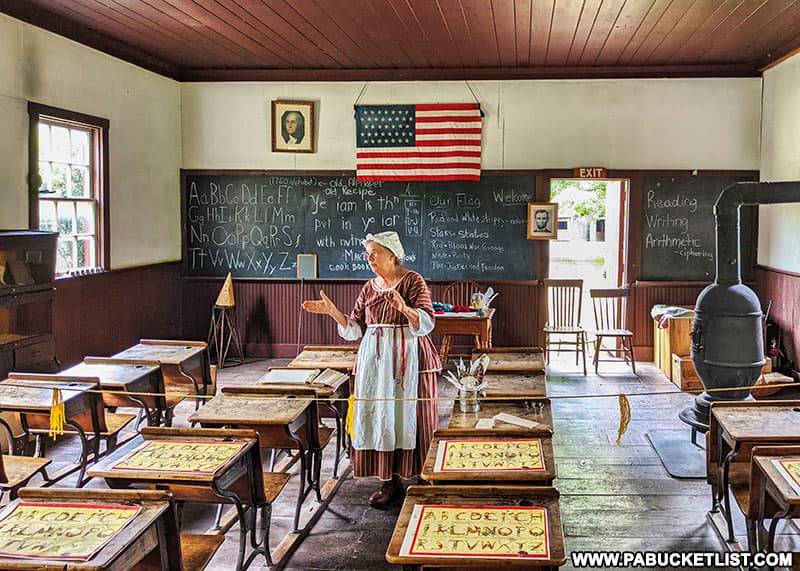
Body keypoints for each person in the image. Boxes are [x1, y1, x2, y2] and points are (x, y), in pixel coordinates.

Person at [302, 231, 441, 508]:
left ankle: (425, 477)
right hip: (376, 364)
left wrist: (404, 308)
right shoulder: (369, 287)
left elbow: (427, 321)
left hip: (409, 359)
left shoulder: (413, 281)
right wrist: (333, 312)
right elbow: (355, 328)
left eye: (375, 252)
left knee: (417, 416)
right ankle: (390, 480)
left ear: (392, 255)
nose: (370, 258)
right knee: (382, 416)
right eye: (368, 253)